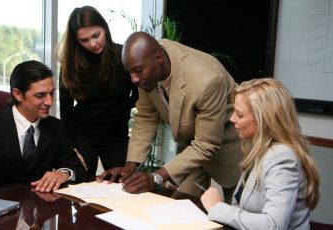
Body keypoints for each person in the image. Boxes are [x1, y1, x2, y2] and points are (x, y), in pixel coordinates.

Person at [97, 31, 243, 201]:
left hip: (229, 150)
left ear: (159, 58)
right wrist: (130, 166)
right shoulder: (145, 67)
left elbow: (205, 144)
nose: (134, 79)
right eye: (130, 72)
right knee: (176, 206)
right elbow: (145, 117)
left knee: (234, 215)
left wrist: (156, 177)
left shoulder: (207, 80)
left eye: (137, 71)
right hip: (191, 151)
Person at [200, 78, 320, 229]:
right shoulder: (260, 149)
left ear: (264, 119)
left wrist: (218, 208)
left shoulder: (282, 157)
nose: (232, 118)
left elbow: (273, 225)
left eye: (240, 115)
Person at [0, 60, 86, 194]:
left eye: (51, 93)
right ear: (18, 94)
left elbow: (76, 167)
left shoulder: (56, 126)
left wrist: (63, 174)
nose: (49, 102)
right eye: (40, 95)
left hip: (40, 208)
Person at [57, 6, 138, 177]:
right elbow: (66, 110)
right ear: (76, 41)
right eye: (84, 40)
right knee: (81, 186)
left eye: (96, 35)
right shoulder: (70, 65)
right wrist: (72, 147)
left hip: (117, 138)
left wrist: (123, 107)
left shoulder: (123, 56)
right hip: (83, 137)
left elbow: (138, 95)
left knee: (119, 187)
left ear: (105, 29)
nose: (93, 44)